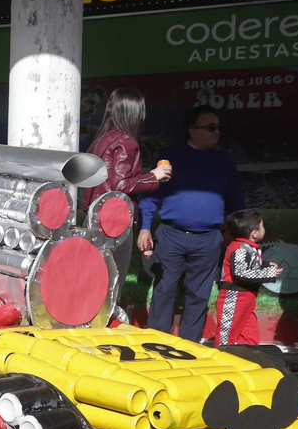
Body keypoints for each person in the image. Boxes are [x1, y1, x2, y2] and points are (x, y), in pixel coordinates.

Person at [137, 106, 244, 340]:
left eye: (218, 127)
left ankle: (189, 346)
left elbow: (236, 204)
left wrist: (230, 233)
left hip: (208, 239)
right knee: (164, 291)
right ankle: (155, 342)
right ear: (192, 130)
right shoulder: (169, 158)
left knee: (199, 295)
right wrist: (145, 226)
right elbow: (151, 195)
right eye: (210, 127)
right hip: (171, 235)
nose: (216, 132)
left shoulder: (225, 162)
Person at [81, 88, 171, 289]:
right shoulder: (126, 141)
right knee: (114, 281)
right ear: (135, 113)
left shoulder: (100, 140)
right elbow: (121, 185)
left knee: (96, 279)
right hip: (116, 221)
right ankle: (108, 320)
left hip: (94, 218)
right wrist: (153, 176)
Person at [212, 209, 284, 346]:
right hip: (233, 297)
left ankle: (247, 355)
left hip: (247, 297)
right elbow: (241, 273)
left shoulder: (247, 247)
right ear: (254, 233)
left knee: (248, 332)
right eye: (262, 226)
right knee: (227, 333)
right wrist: (269, 273)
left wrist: (266, 265)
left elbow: (250, 264)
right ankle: (221, 358)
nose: (264, 229)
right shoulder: (239, 248)